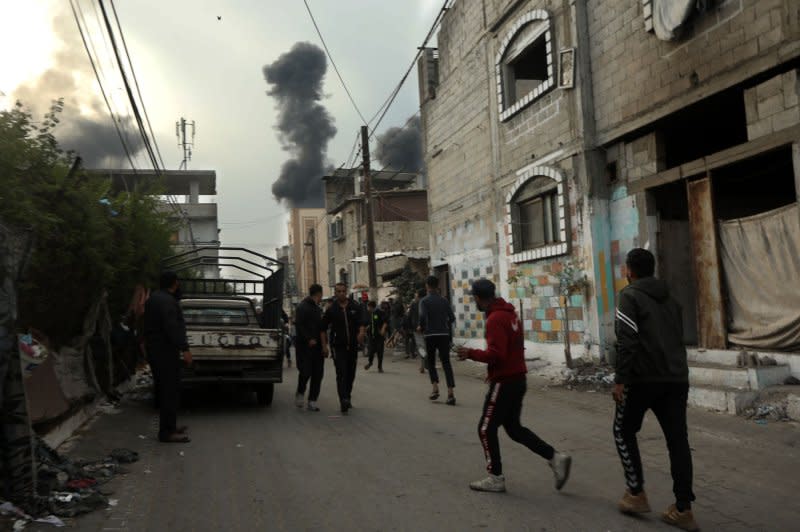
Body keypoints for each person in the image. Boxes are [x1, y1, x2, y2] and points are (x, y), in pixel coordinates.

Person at [457, 279, 571, 493]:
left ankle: (495, 476)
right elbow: (508, 351)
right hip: (517, 378)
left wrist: (470, 353)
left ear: (479, 298)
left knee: (485, 428)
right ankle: (555, 457)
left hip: (506, 381)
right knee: (514, 429)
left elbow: (496, 354)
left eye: (475, 299)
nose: (475, 303)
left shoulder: (495, 319)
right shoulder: (509, 313)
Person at [612, 248, 698, 531]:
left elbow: (627, 340)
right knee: (677, 441)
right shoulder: (672, 299)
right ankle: (683, 509)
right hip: (675, 378)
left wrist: (621, 379)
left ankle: (636, 493)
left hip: (643, 379)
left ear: (630, 271)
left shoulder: (630, 295)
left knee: (623, 430)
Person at [143, 271, 192, 443]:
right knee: (169, 392)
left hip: (155, 350)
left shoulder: (154, 298)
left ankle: (170, 426)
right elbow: (172, 327)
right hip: (165, 351)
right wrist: (184, 349)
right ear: (175, 283)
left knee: (165, 390)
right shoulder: (168, 301)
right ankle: (166, 432)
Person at [321, 282, 367, 414]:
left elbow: (362, 322)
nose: (341, 293)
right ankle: (343, 400)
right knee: (341, 373)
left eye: (343, 291)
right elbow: (322, 329)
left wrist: (361, 332)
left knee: (350, 373)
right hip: (338, 346)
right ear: (335, 293)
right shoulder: (331, 309)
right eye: (338, 291)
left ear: (346, 292)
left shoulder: (355, 306)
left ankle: (347, 395)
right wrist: (325, 346)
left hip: (353, 346)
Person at [419, 275, 456, 405]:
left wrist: (421, 327)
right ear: (437, 285)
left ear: (427, 286)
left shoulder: (424, 301)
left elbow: (423, 317)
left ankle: (435, 389)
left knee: (431, 362)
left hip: (430, 335)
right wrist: (444, 326)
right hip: (444, 335)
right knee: (446, 363)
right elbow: (452, 318)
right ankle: (451, 394)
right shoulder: (444, 301)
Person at [295, 284, 326, 411]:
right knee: (305, 372)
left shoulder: (317, 308)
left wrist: (324, 345)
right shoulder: (303, 306)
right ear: (319, 294)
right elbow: (299, 325)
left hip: (318, 347)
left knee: (318, 374)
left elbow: (321, 328)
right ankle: (300, 392)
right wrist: (309, 338)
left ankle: (312, 400)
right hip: (305, 347)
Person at [364, 300, 388, 372]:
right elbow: (372, 323)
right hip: (371, 336)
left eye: (368, 307)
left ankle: (380, 367)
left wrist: (383, 329)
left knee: (380, 351)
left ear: (371, 307)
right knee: (371, 351)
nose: (367, 308)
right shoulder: (371, 313)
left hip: (379, 336)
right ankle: (370, 363)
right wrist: (367, 328)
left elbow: (385, 321)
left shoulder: (380, 312)